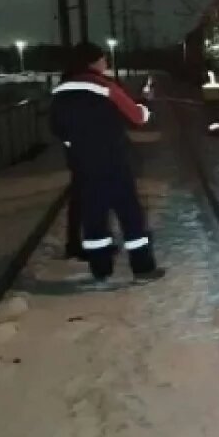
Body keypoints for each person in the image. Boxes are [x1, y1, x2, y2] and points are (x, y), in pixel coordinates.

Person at [50, 42, 163, 283]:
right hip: (113, 160)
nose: (106, 64)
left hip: (83, 164)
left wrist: (76, 147)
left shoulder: (60, 89)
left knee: (93, 214)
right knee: (129, 213)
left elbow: (57, 129)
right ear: (93, 62)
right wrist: (147, 101)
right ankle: (142, 268)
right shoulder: (104, 86)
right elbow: (138, 117)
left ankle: (100, 269)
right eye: (103, 59)